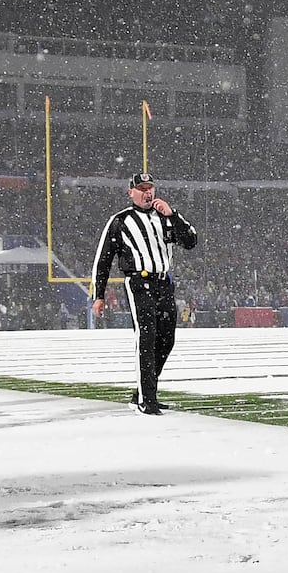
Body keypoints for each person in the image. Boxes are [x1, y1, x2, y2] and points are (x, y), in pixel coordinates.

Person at [90, 173, 199, 415]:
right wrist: (99, 294)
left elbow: (191, 241)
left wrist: (173, 215)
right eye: (141, 188)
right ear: (131, 192)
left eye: (150, 187)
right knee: (146, 340)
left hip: (164, 283)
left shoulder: (165, 216)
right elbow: (103, 260)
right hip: (140, 283)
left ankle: (143, 392)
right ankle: (146, 399)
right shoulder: (120, 221)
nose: (147, 192)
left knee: (166, 340)